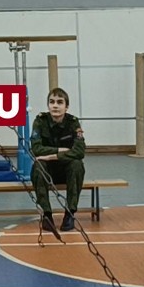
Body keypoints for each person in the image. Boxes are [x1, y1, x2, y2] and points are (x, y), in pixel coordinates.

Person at [30, 87, 86, 233]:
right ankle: (47, 215)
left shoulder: (73, 123)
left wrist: (51, 156)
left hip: (66, 170)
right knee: (38, 165)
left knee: (77, 164)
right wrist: (59, 150)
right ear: (48, 105)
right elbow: (35, 149)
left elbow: (80, 151)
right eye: (52, 102)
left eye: (59, 102)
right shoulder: (40, 121)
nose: (55, 105)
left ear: (66, 107)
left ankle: (70, 214)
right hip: (47, 170)